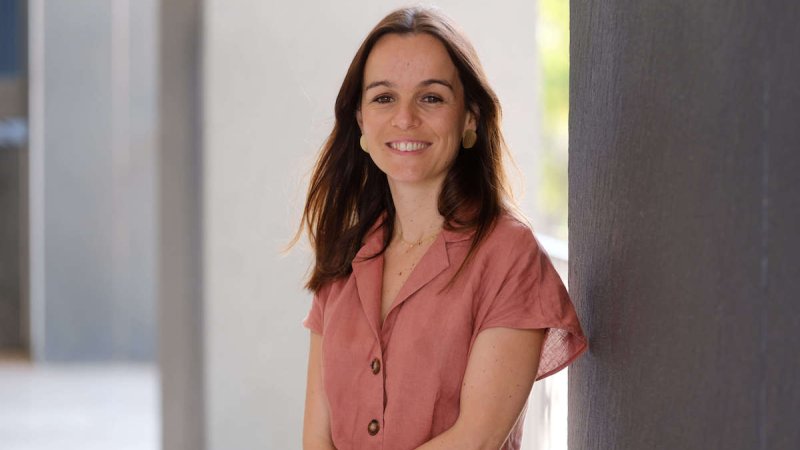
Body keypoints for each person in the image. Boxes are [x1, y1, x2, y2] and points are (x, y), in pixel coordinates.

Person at [297, 6, 587, 450]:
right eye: (383, 97)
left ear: (469, 117)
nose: (406, 118)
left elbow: (476, 440)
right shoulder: (344, 253)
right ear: (360, 121)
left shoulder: (508, 254)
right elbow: (317, 440)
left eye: (431, 97)